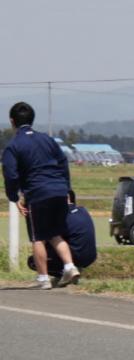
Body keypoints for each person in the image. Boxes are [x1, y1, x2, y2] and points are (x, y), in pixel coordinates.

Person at [3, 102, 80, 289]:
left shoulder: (13, 146)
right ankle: (69, 266)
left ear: (12, 121)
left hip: (37, 193)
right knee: (55, 233)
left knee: (37, 236)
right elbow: (63, 163)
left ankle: (43, 278)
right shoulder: (48, 140)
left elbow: (10, 173)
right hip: (59, 190)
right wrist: (67, 189)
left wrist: (13, 197)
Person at [25, 190, 96, 285]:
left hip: (76, 256)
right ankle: (71, 271)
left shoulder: (60, 217)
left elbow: (44, 240)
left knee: (32, 261)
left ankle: (63, 274)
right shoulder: (83, 210)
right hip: (91, 256)